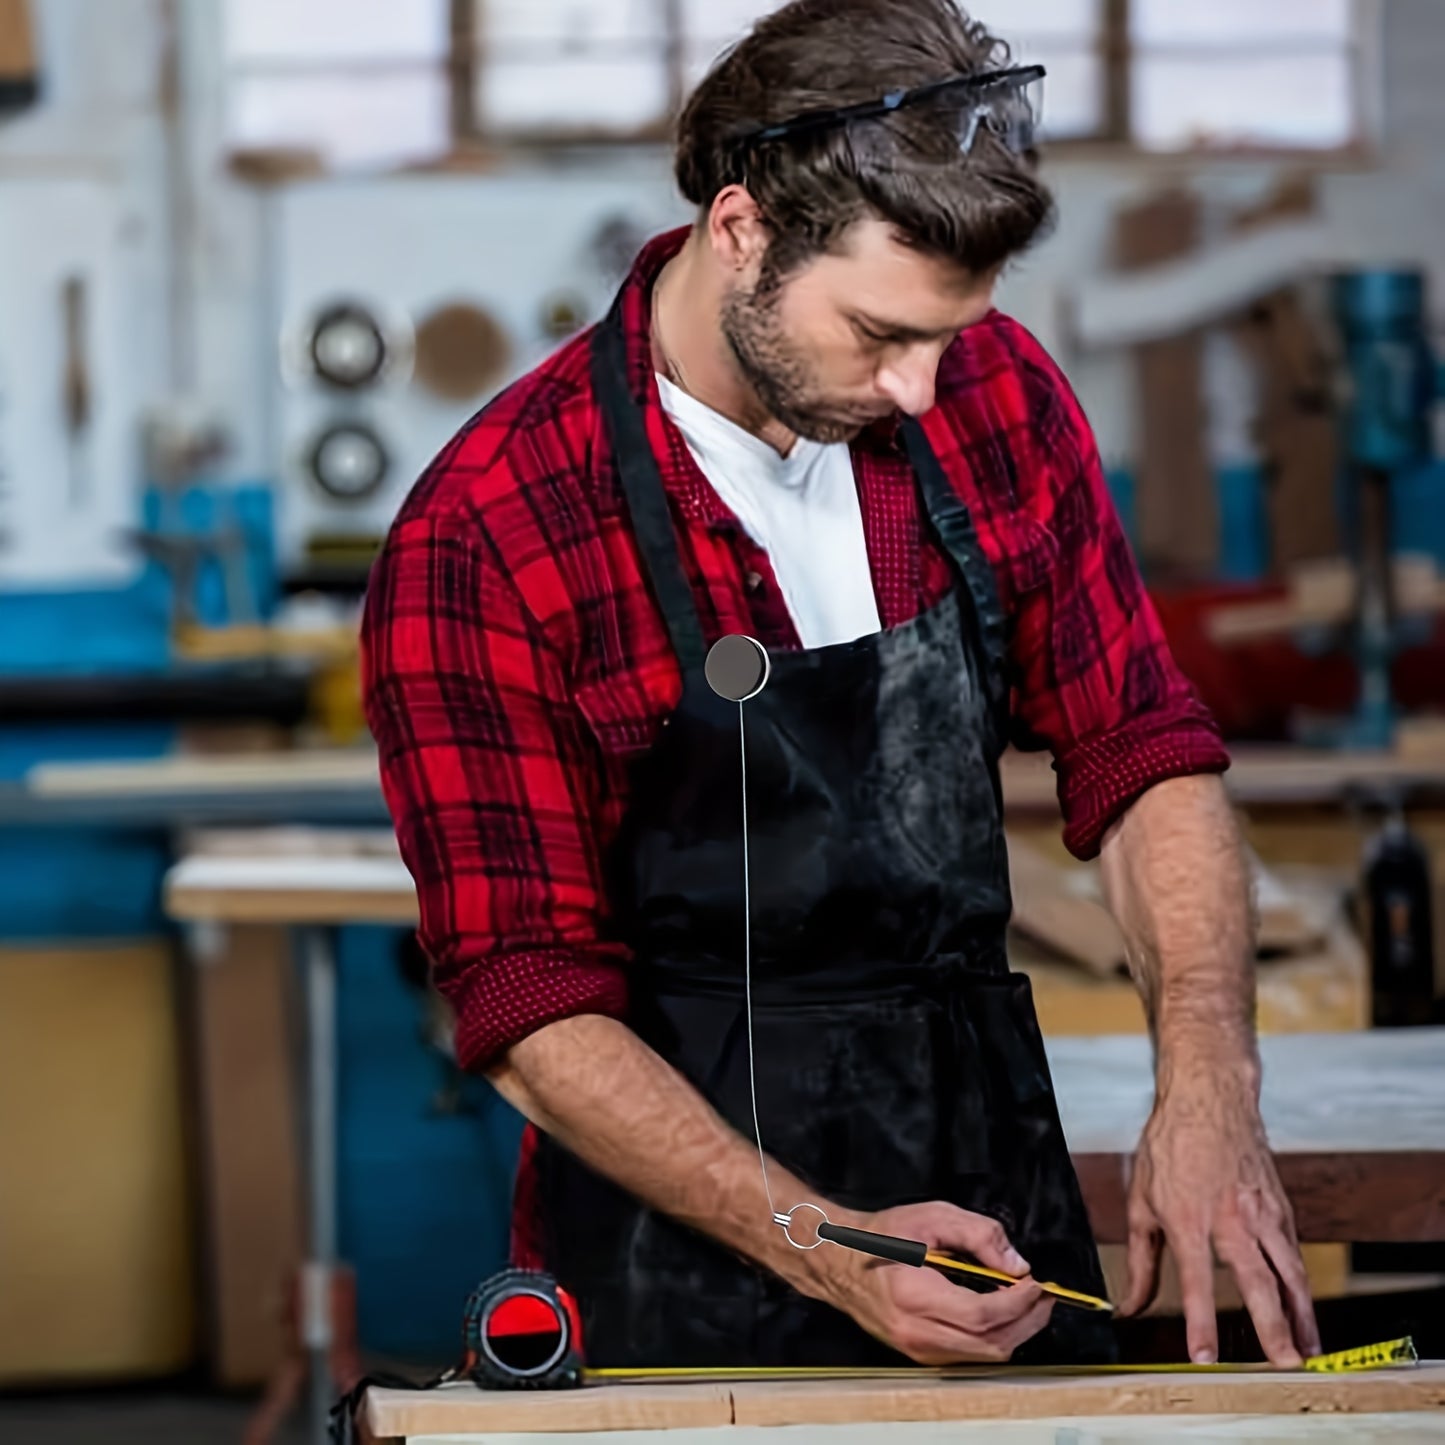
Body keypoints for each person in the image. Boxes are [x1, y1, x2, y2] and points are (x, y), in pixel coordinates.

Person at [361, 0, 1320, 1371]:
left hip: (996, 1229)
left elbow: (1138, 747)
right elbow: (524, 993)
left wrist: (1210, 1080)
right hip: (677, 1278)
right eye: (879, 331)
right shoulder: (493, 529)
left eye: (950, 332)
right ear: (742, 229)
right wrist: (821, 1242)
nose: (926, 388)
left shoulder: (995, 398)